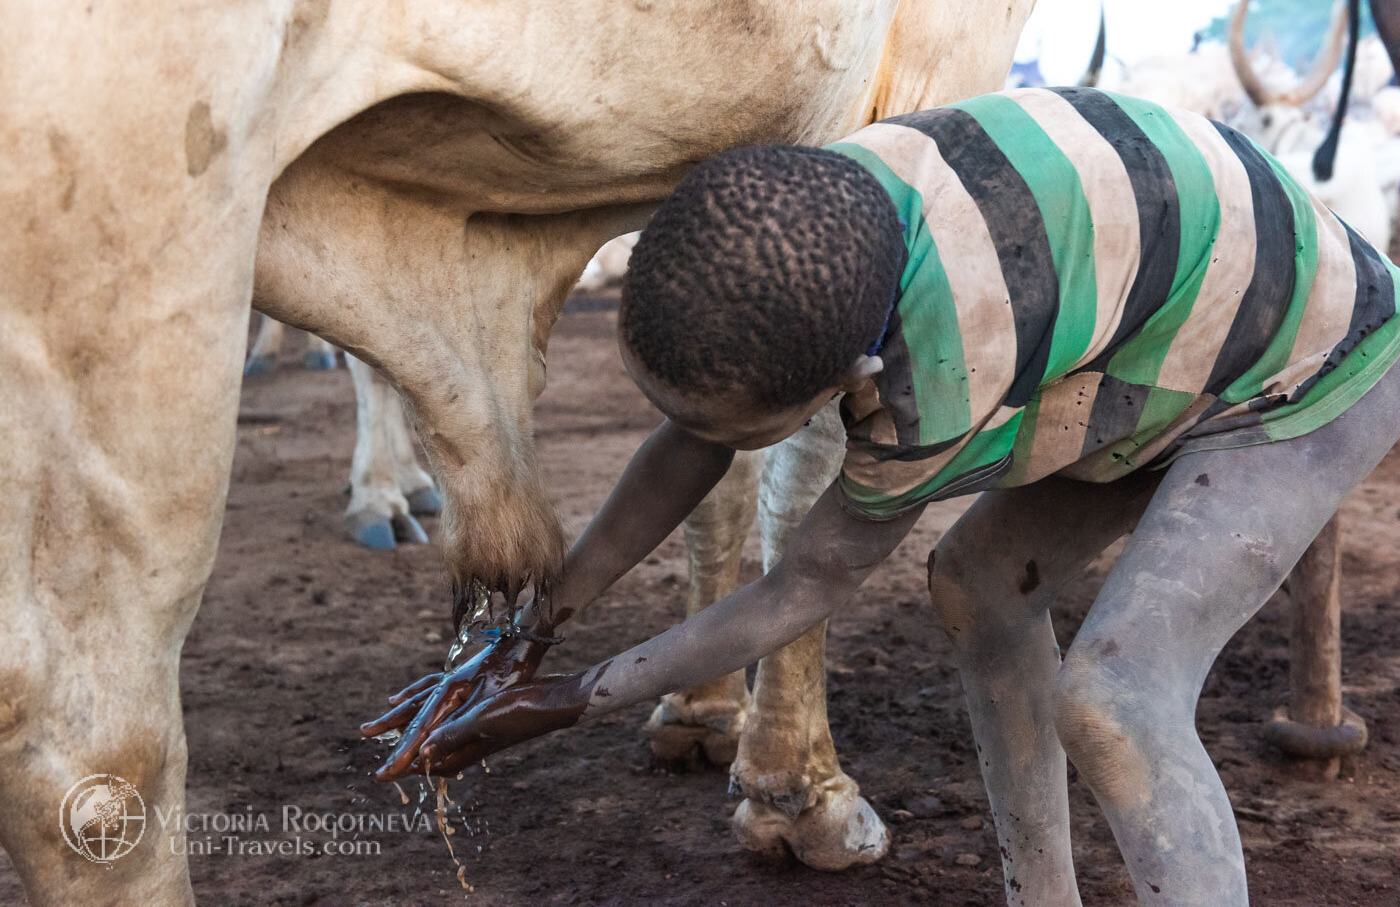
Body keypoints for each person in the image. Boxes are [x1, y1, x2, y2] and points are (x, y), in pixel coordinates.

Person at [363, 87, 1400, 904]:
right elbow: (695, 440)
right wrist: (538, 619)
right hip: (1165, 327)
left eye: (741, 427)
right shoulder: (808, 220)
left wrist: (575, 696)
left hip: (1308, 371)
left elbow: (800, 588)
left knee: (1115, 696)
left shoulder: (939, 368)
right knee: (976, 582)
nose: (700, 439)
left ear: (849, 378)